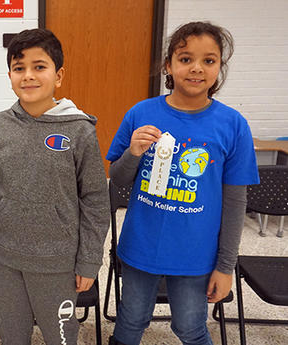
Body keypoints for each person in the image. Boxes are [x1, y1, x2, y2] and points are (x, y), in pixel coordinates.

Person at [107, 22, 259, 345]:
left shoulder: (233, 125)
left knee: (190, 327)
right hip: (140, 247)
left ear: (219, 67)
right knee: (130, 320)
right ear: (169, 65)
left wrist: (225, 266)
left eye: (209, 60)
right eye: (185, 58)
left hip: (197, 254)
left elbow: (235, 204)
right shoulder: (141, 113)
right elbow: (118, 179)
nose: (196, 69)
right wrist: (133, 152)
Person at [0, 28, 110, 345]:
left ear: (58, 75)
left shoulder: (80, 131)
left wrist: (89, 261)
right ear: (9, 75)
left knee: (60, 336)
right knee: (12, 335)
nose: (28, 76)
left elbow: (95, 202)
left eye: (39, 66)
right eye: (19, 68)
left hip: (57, 262)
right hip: (6, 258)